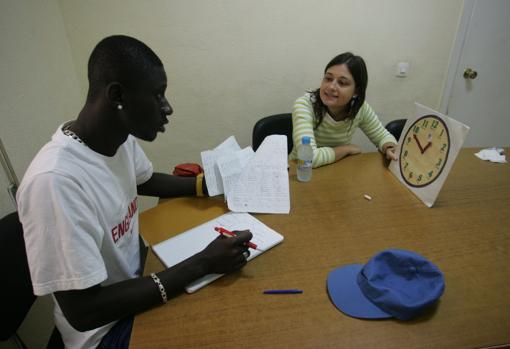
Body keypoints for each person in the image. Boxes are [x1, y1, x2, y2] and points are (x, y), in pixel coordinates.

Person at [16, 35, 253, 349]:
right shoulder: (55, 182)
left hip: (137, 282)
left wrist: (208, 185)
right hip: (102, 333)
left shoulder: (117, 137)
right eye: (157, 95)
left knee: (232, 303)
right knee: (227, 325)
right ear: (117, 95)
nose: (167, 107)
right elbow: (84, 311)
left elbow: (144, 180)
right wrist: (202, 263)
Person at [290, 52, 398, 168]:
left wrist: (389, 147)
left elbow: (382, 136)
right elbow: (308, 158)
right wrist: (346, 149)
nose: (331, 87)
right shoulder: (305, 105)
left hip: (337, 169)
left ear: (356, 92)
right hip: (300, 172)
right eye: (328, 78)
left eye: (342, 83)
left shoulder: (360, 109)